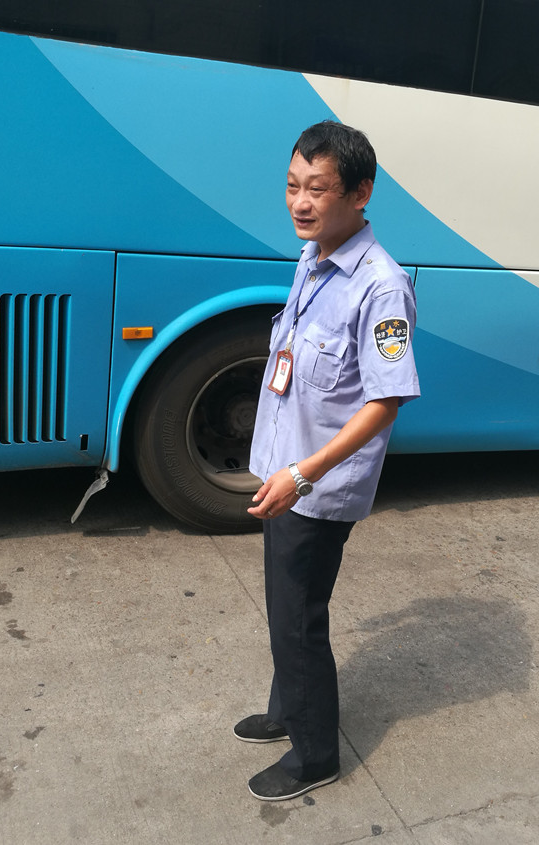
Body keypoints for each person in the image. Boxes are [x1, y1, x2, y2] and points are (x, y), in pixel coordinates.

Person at [234, 121, 420, 801]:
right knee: (285, 606)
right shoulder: (313, 258)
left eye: (317, 189)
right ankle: (288, 709)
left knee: (298, 618)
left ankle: (315, 754)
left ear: (360, 193)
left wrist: (303, 474)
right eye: (292, 186)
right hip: (286, 471)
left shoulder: (381, 286)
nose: (300, 202)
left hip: (315, 485)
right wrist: (281, 468)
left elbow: (385, 401)